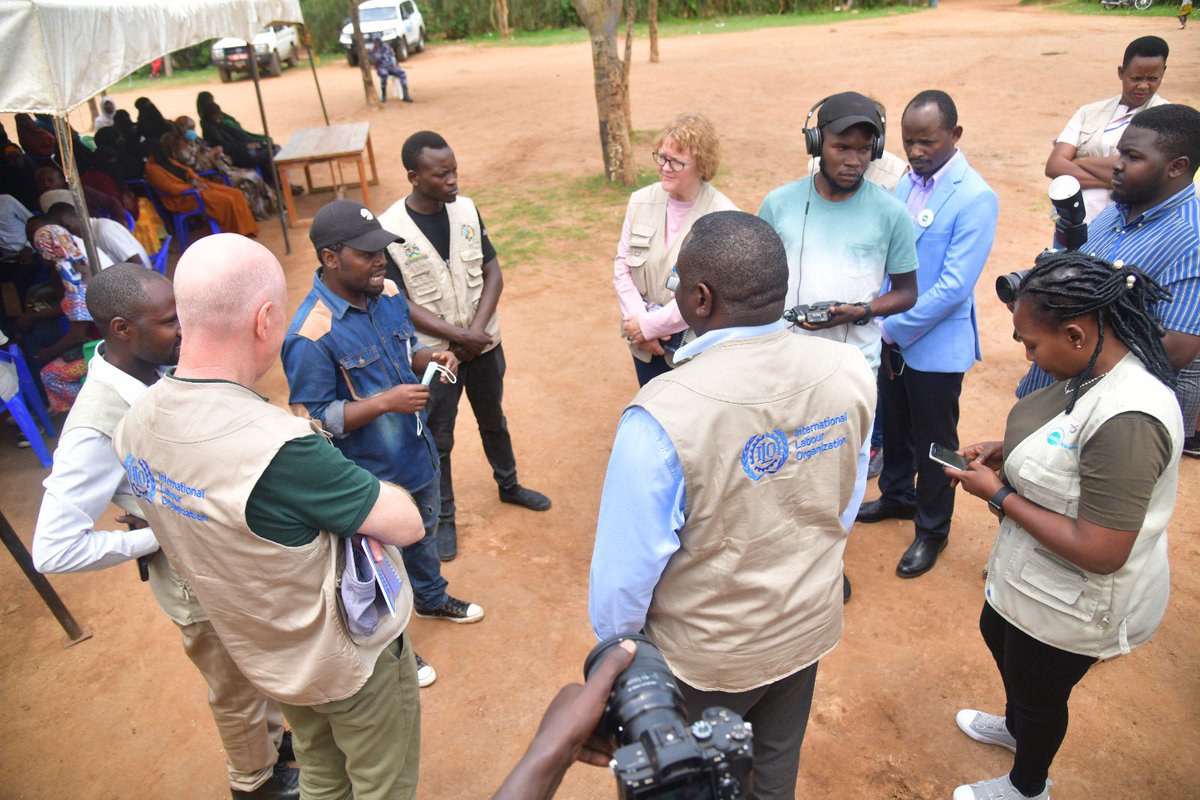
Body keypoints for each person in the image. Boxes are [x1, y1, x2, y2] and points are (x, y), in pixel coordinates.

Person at [113, 233, 425, 800]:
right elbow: (405, 523)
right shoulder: (278, 446)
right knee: (383, 783)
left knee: (321, 773)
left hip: (264, 649)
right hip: (344, 658)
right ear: (264, 321)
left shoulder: (136, 423)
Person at [590, 211, 874, 800]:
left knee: (689, 784)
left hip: (705, 660)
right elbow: (842, 505)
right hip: (804, 626)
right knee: (774, 771)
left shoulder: (663, 411)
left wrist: (623, 662)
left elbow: (624, 581)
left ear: (698, 298)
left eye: (676, 287)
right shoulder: (849, 370)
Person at [31, 264, 299, 800]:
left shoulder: (158, 370)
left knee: (253, 665)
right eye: (170, 321)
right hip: (192, 583)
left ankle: (271, 745)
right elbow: (53, 548)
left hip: (222, 563)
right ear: (121, 329)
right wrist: (154, 537)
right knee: (234, 686)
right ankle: (254, 782)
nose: (185, 330)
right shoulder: (95, 425)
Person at [946, 251, 1182, 800]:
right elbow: (1072, 440)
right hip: (1034, 579)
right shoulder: (1092, 370)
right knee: (997, 632)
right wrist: (1009, 449)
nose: (1024, 353)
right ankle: (1016, 728)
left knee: (1040, 694)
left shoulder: (1130, 419)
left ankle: (1028, 785)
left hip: (1078, 600)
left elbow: (1101, 550)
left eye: (1031, 344)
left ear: (1076, 334)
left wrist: (999, 493)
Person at [284, 200, 486, 686]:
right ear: (331, 258)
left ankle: (433, 599)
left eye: (383, 252)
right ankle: (396, 650)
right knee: (380, 565)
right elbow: (313, 420)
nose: (381, 262)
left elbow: (401, 350)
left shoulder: (388, 293)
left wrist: (428, 357)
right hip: (366, 478)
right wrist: (383, 403)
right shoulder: (311, 334)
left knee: (422, 534)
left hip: (417, 454)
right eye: (368, 254)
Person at [758, 91, 918, 600]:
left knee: (841, 472)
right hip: (785, 360)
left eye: (862, 149)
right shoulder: (780, 204)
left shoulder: (891, 214)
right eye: (840, 147)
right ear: (815, 143)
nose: (852, 160)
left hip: (853, 368)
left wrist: (864, 311)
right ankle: (785, 555)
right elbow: (758, 278)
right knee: (783, 463)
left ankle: (828, 561)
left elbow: (907, 291)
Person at [379, 131, 551, 562]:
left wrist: (475, 332)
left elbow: (493, 272)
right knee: (438, 438)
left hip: (483, 345)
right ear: (414, 177)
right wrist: (459, 338)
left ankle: (509, 486)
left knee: (494, 419)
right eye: (442, 174)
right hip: (435, 356)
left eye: (454, 170)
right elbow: (399, 301)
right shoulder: (389, 230)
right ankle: (444, 519)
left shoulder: (467, 210)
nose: (453, 180)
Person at [855, 90, 999, 578]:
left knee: (937, 441)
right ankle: (896, 495)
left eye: (928, 142)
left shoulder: (975, 196)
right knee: (895, 425)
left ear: (955, 136)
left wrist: (889, 325)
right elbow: (889, 257)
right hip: (891, 337)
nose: (916, 152)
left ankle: (932, 528)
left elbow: (954, 288)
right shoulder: (905, 184)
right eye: (909, 141)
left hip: (934, 344)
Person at [1017, 104, 1200, 454]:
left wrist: (1077, 323)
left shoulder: (1191, 238)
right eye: (1119, 152)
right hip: (1046, 397)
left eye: (1132, 157)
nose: (1116, 164)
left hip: (1092, 424)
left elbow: (1178, 347)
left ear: (1177, 167)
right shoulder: (1117, 211)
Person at [612, 113, 739, 386]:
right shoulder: (640, 201)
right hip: (644, 346)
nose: (665, 168)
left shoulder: (723, 217)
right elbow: (622, 266)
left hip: (693, 354)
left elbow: (707, 296)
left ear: (702, 165)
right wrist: (639, 325)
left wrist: (648, 327)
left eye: (677, 162)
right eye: (661, 157)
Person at [1045, 36, 1169, 223]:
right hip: (1074, 226)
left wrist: (1079, 160)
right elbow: (1054, 166)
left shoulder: (1165, 118)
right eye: (1136, 78)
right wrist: (1121, 183)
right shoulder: (1089, 112)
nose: (1144, 86)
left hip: (1125, 231)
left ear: (1163, 72)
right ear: (1121, 72)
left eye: (1152, 78)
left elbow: (1146, 175)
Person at [29, 220, 107, 412]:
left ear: (47, 252)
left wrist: (48, 353)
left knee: (49, 374)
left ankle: (92, 410)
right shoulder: (84, 265)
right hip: (106, 340)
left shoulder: (74, 284)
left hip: (100, 350)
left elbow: (76, 336)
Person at [144, 137, 259, 238]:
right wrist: (191, 186)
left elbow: (186, 171)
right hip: (185, 196)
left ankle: (246, 229)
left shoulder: (167, 161)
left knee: (235, 193)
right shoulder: (152, 169)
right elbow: (171, 188)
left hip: (195, 187)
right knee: (226, 200)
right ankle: (233, 234)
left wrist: (195, 179)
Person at [167, 116, 277, 219]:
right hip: (208, 176)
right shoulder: (180, 148)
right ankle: (255, 213)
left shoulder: (193, 141)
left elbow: (205, 151)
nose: (193, 131)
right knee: (248, 180)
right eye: (190, 128)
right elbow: (195, 166)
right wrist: (211, 154)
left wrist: (214, 152)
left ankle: (268, 207)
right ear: (182, 129)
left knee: (253, 174)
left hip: (217, 169)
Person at [47, 201, 151, 268]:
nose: (67, 231)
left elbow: (137, 262)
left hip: (140, 276)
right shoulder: (83, 237)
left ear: (77, 215)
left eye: (67, 226)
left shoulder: (104, 230)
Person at [35, 163, 126, 221]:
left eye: (50, 180)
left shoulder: (81, 192)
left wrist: (121, 221)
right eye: (41, 182)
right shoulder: (43, 202)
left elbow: (112, 201)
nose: (46, 185)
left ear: (62, 180)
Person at [370, 35, 412, 103]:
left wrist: (396, 65)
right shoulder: (373, 50)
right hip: (382, 68)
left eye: (378, 40)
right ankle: (383, 96)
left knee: (402, 73)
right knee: (384, 75)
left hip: (391, 67)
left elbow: (393, 56)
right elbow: (373, 63)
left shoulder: (386, 47)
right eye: (376, 40)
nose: (377, 42)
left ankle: (406, 95)